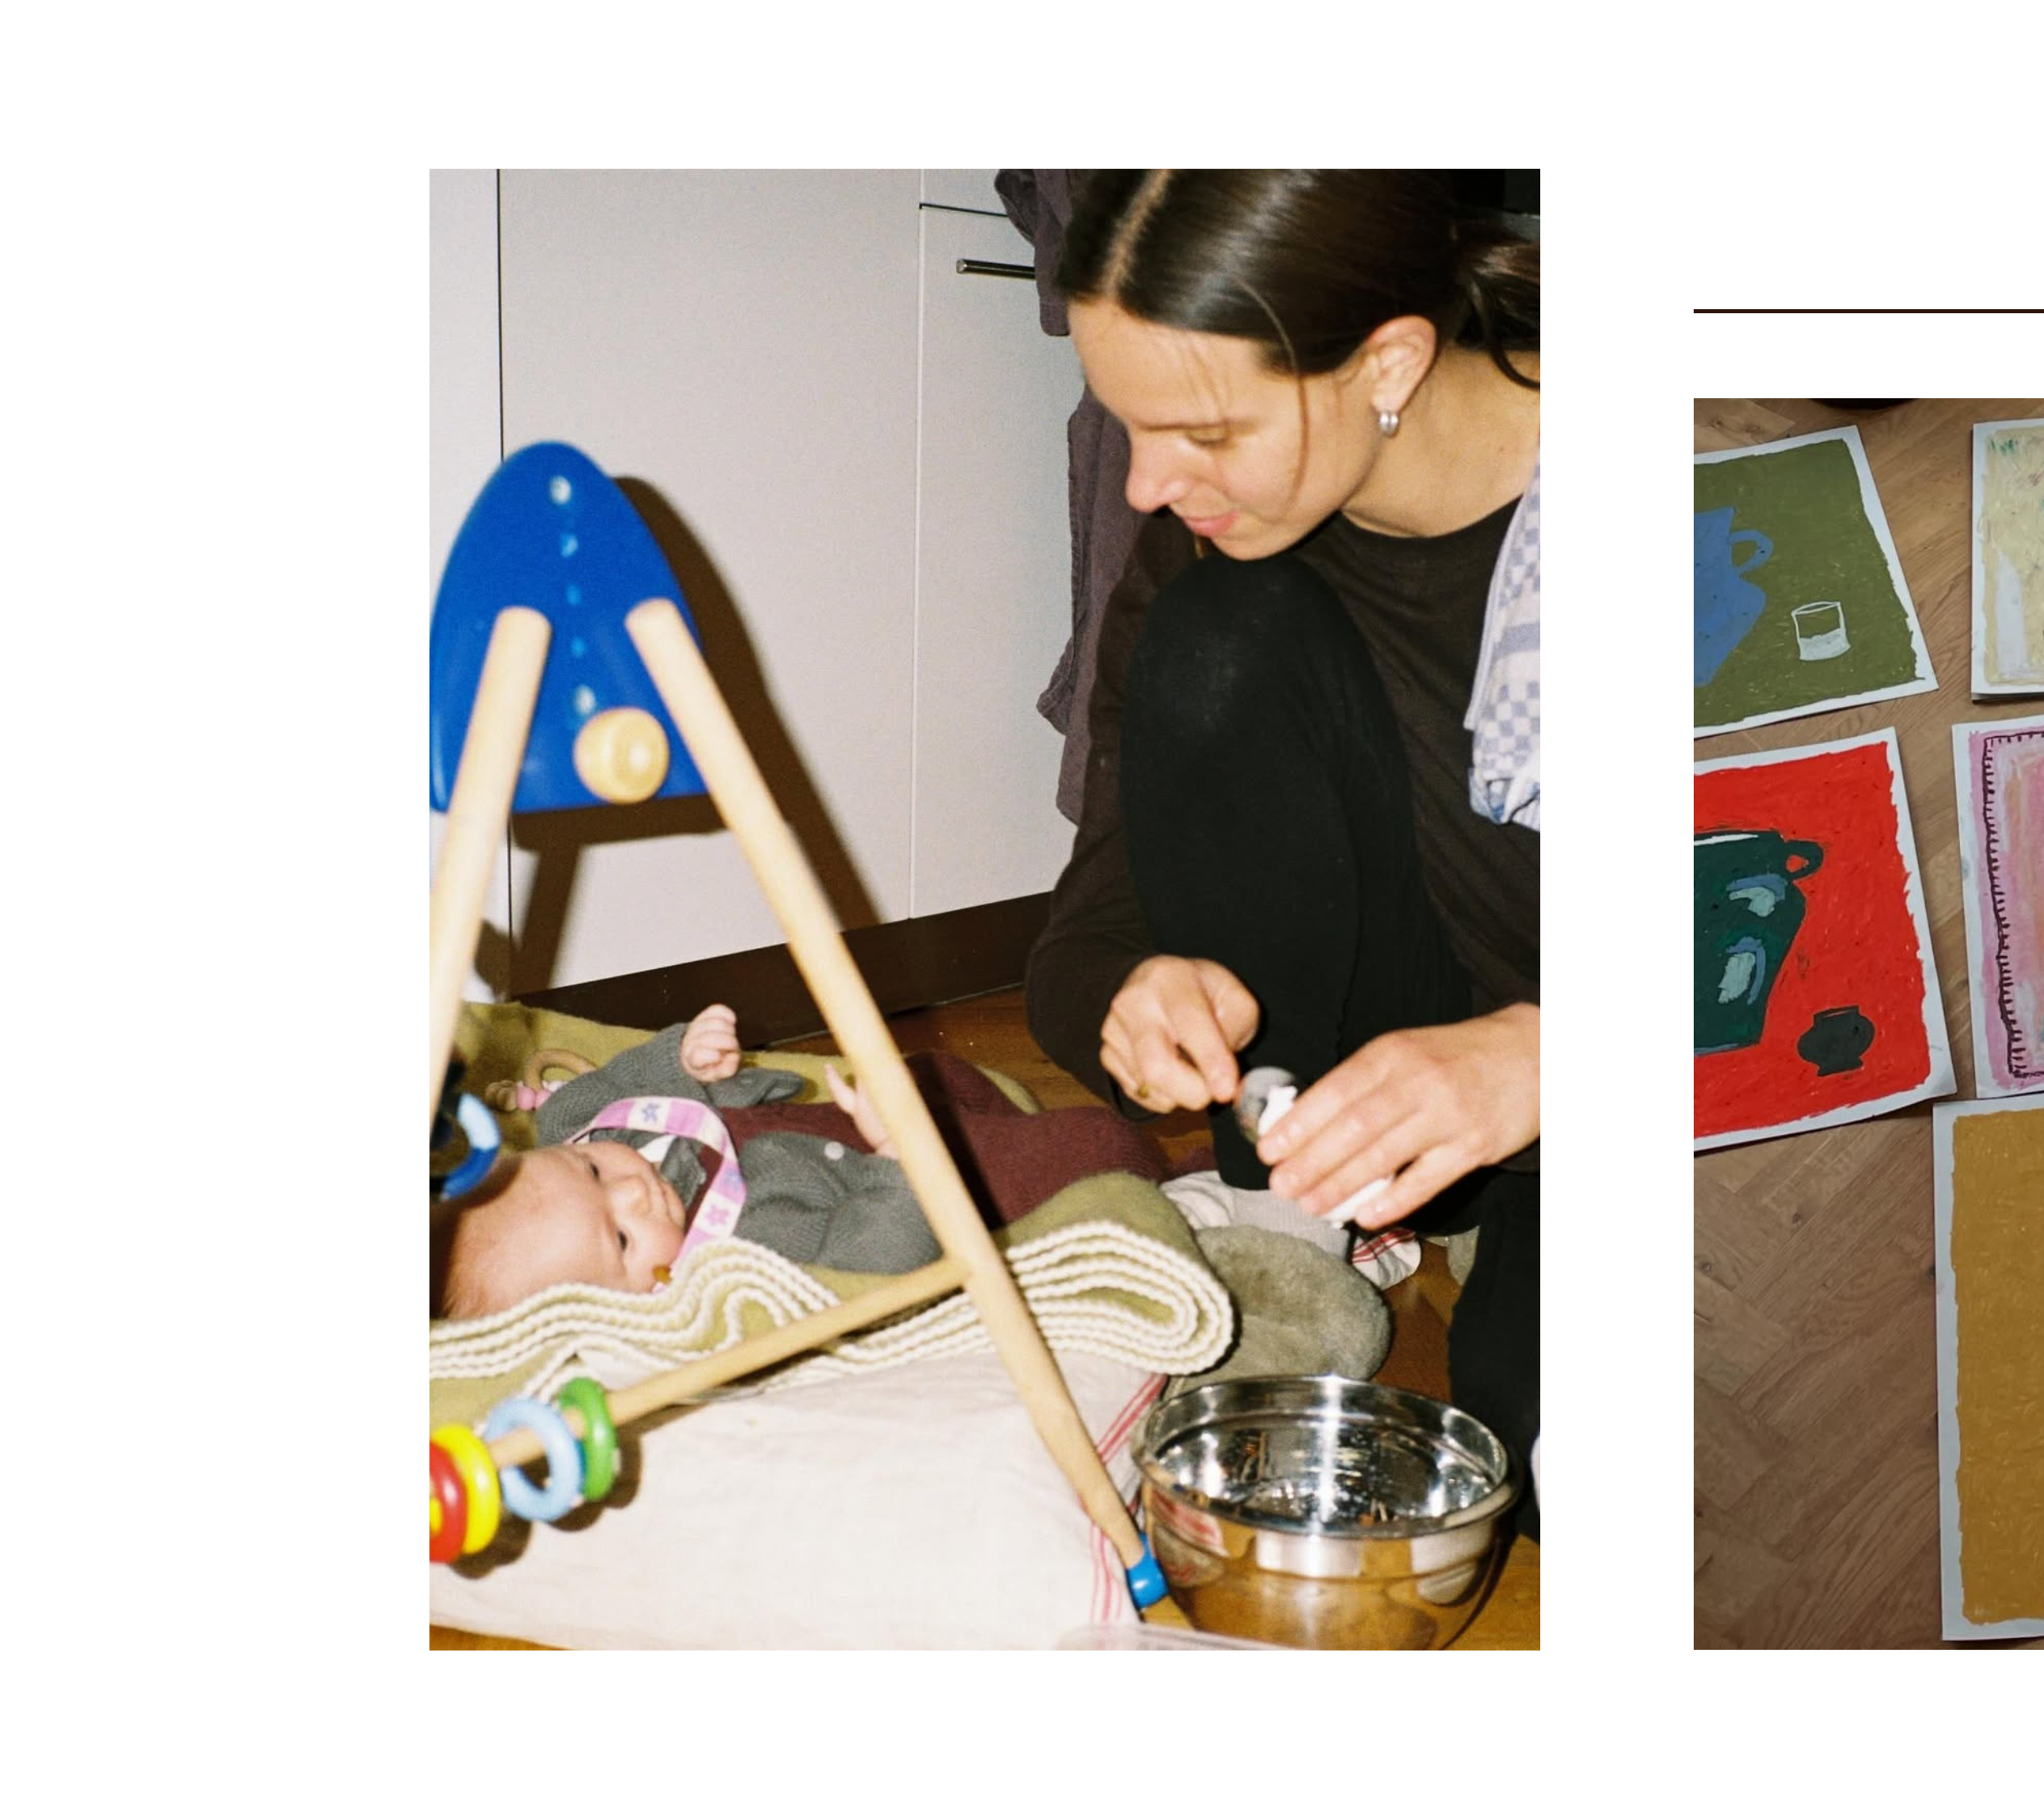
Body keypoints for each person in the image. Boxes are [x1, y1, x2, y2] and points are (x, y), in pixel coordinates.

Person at [1013, 171, 1543, 1534]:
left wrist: (1544, 1057)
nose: (1145, 485)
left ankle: (1480, 1213)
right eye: (1126, 425)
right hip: (1397, 1037)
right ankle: (1298, 1222)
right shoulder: (1203, 552)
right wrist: (1135, 994)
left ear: (1390, 364)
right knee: (1220, 639)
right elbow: (1087, 930)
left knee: (1547, 1461)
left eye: (1203, 431)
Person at [431, 1005, 1166, 1318]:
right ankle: (1172, 1174)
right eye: (620, 1239)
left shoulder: (574, 1126)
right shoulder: (741, 1266)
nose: (634, 1191)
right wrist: (899, 1162)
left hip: (839, 1116)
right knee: (1093, 1150)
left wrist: (685, 1058)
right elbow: (867, 1264)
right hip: (912, 1180)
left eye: (592, 1172)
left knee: (939, 1073)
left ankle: (984, 1109)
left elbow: (612, 1085)